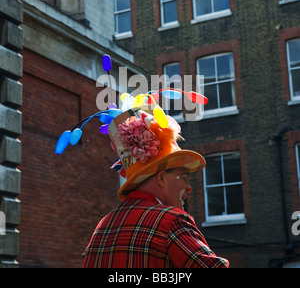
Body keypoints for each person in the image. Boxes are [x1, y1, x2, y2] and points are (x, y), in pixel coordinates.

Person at [82, 107, 229, 268]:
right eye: (184, 177)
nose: (188, 188)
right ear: (162, 178)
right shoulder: (172, 220)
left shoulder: (102, 228)